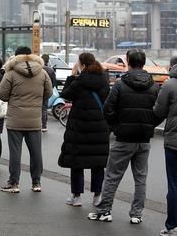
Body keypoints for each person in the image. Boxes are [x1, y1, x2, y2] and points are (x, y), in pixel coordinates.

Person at [88, 49, 160, 224]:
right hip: (144, 140)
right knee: (141, 178)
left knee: (113, 175)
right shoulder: (153, 86)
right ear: (143, 63)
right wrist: (150, 125)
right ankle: (136, 214)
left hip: (123, 138)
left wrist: (116, 127)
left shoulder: (121, 84)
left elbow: (108, 109)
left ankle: (104, 211)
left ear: (128, 61)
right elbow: (159, 111)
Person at [0, 46, 52, 193]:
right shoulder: (42, 72)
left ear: (15, 57)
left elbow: (1, 94)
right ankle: (36, 182)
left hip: (15, 119)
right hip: (34, 119)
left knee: (15, 152)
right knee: (36, 152)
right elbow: (49, 92)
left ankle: (14, 183)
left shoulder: (11, 73)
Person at [57, 53, 110, 207]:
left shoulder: (79, 81)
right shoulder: (103, 79)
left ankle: (77, 196)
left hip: (78, 127)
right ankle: (97, 196)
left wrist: (72, 76)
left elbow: (65, 95)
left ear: (83, 65)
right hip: (98, 127)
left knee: (77, 162)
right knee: (98, 163)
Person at [154, 57, 177, 236]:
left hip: (174, 142)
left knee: (174, 184)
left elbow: (159, 112)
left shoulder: (169, 86)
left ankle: (172, 226)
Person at [41, 54, 57, 132]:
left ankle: (36, 124)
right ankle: (44, 126)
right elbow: (54, 82)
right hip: (47, 92)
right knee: (44, 108)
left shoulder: (39, 69)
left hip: (38, 91)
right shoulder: (51, 70)